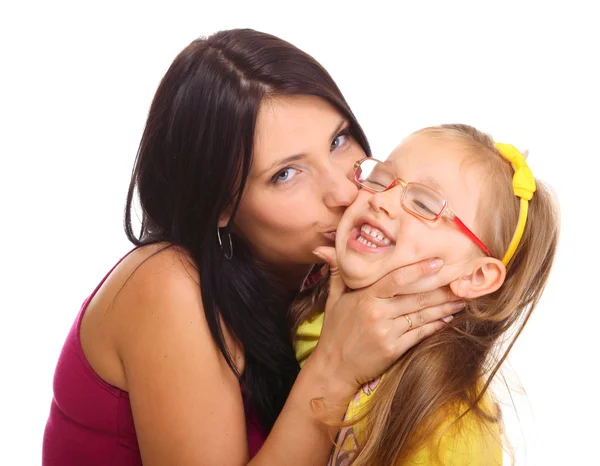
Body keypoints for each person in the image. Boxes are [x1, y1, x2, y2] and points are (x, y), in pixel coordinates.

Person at [42, 29, 459, 465]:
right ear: (219, 204)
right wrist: (336, 367)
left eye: (337, 141)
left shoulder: (321, 283)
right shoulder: (168, 284)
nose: (342, 190)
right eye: (286, 174)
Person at [295, 124, 559, 465]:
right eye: (380, 179)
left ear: (476, 275)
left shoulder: (451, 429)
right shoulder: (313, 318)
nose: (382, 199)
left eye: (424, 203)